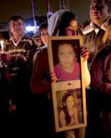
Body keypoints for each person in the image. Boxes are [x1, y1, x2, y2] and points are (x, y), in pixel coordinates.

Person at [30, 10, 90, 138]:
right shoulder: (42, 54)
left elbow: (86, 82)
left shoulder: (78, 51)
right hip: (57, 109)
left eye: (76, 28)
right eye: (70, 29)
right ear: (58, 29)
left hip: (78, 106)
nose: (74, 33)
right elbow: (34, 86)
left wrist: (84, 61)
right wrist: (48, 82)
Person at [82, 0, 111, 64]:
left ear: (109, 9)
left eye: (99, 6)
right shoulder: (84, 32)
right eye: (92, 6)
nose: (95, 9)